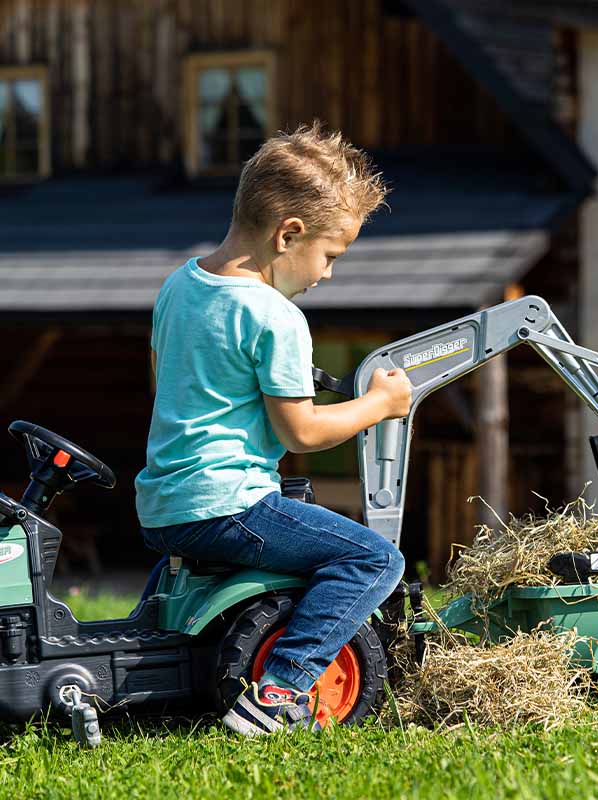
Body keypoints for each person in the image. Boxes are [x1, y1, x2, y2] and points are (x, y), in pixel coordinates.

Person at [135, 122, 411, 736]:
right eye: (330, 255)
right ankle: (280, 689)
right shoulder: (275, 316)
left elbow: (174, 388)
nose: (328, 274)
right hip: (228, 503)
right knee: (373, 560)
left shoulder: (178, 286)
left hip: (164, 506)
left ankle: (149, 664)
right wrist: (380, 403)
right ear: (289, 233)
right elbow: (303, 435)